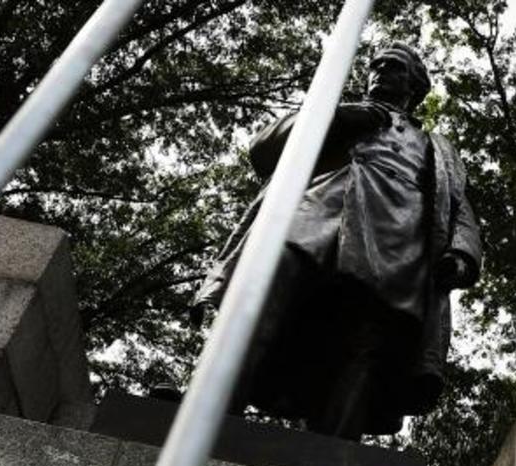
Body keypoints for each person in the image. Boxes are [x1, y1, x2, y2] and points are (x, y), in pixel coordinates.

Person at [193, 43, 482, 441]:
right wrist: (338, 116)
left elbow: (458, 206)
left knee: (367, 339)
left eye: (392, 67)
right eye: (375, 65)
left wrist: (463, 253)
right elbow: (264, 151)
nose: (378, 72)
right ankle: (209, 403)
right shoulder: (341, 116)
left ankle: (337, 443)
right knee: (260, 295)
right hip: (318, 210)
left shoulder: (438, 147)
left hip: (398, 241)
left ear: (414, 84)